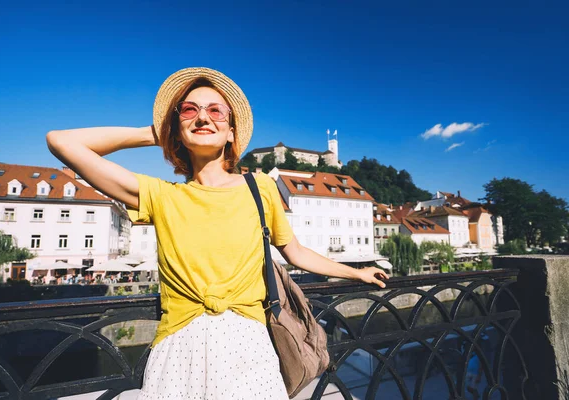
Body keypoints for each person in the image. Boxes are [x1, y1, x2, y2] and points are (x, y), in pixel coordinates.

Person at [46, 67, 388, 399]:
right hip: (179, 351)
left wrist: (357, 273)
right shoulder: (163, 196)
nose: (203, 118)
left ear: (231, 133)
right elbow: (61, 142)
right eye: (190, 110)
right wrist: (155, 132)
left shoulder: (261, 188)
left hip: (249, 348)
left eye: (216, 111)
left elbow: (296, 252)